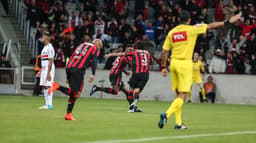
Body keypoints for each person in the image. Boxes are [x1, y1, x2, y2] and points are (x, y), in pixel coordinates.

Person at [158, 10, 241, 130]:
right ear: (189, 20)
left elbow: (164, 51)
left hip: (174, 64)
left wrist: (164, 67)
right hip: (185, 64)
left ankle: (178, 123)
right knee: (183, 95)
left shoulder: (172, 32)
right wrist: (228, 21)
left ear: (178, 20)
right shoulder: (191, 29)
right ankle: (166, 114)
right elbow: (211, 26)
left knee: (178, 95)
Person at [49, 39, 103, 120]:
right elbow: (94, 61)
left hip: (69, 67)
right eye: (100, 48)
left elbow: (72, 56)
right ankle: (57, 87)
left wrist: (67, 76)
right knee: (76, 93)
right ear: (98, 45)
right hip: (78, 69)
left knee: (73, 92)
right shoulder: (94, 48)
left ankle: (68, 114)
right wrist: (93, 73)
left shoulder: (81, 45)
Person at [105, 42, 152, 112]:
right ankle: (134, 104)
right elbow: (151, 60)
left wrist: (110, 54)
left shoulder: (135, 52)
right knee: (137, 90)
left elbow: (122, 54)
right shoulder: (147, 53)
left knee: (130, 90)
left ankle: (132, 107)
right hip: (145, 74)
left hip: (136, 73)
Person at [38, 32, 55, 110]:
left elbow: (50, 60)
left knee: (48, 85)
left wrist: (48, 73)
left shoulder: (50, 47)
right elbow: (43, 60)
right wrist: (41, 70)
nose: (42, 38)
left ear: (47, 38)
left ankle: (50, 104)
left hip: (49, 69)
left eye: (43, 37)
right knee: (45, 86)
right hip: (44, 68)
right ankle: (46, 104)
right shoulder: (44, 47)